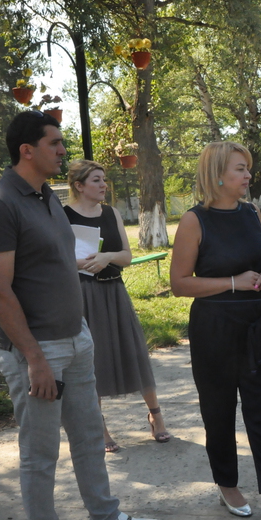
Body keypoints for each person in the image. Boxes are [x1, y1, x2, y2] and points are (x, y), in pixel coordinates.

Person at [0, 110, 161, 520]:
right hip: (36, 349)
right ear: (27, 150)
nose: (63, 150)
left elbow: (53, 262)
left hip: (75, 337)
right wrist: (34, 358)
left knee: (89, 436)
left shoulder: (47, 197)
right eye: (54, 143)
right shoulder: (0, 203)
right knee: (41, 452)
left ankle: (105, 519)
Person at [170, 141, 261, 520]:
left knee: (260, 411)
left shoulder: (251, 212)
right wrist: (232, 282)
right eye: (240, 169)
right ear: (217, 174)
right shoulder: (195, 221)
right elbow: (179, 284)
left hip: (259, 324)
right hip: (214, 327)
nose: (248, 175)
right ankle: (227, 485)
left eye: (247, 168)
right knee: (218, 411)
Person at [64, 159, 171, 452]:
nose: (103, 185)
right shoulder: (62, 216)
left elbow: (126, 256)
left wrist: (106, 257)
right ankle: (99, 426)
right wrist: (85, 264)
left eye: (104, 179)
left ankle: (156, 416)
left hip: (114, 290)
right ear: (79, 186)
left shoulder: (111, 213)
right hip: (83, 294)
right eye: (96, 180)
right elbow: (56, 260)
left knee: (134, 351)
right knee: (92, 359)